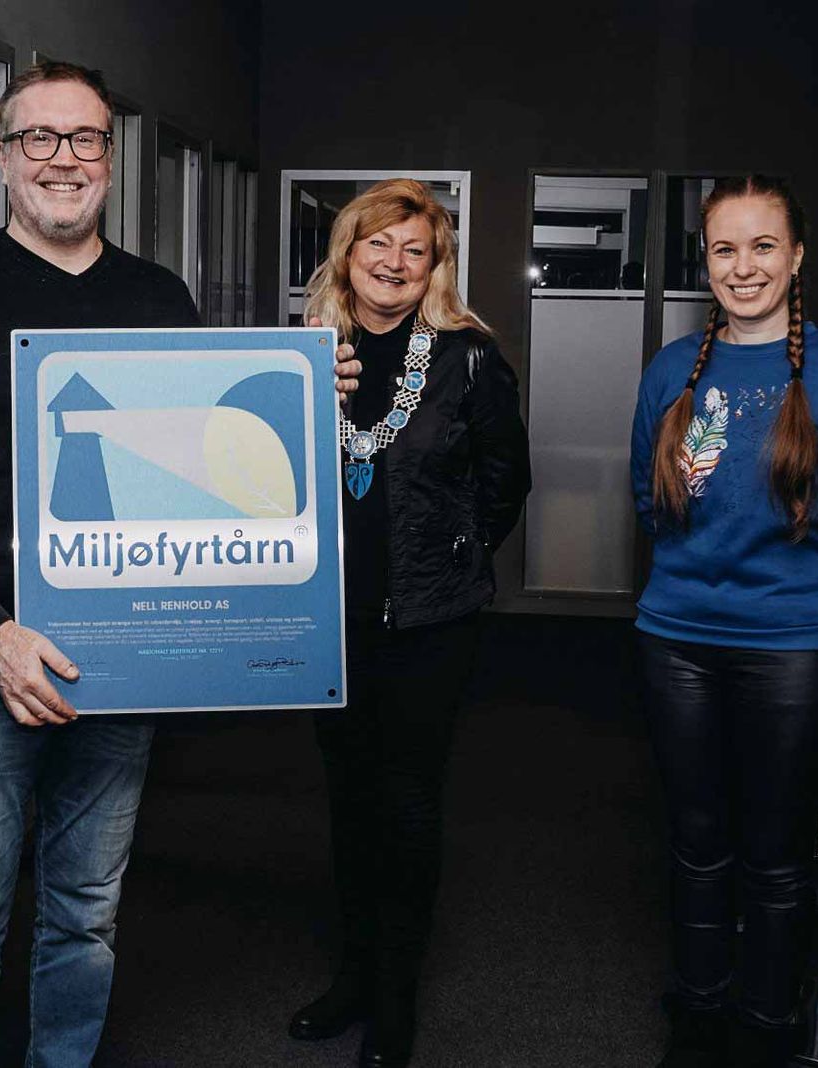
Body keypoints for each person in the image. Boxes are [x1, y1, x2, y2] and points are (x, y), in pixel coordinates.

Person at [0, 60, 359, 1067]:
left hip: (119, 658)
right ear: (5, 159)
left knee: (85, 911)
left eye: (84, 138)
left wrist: (313, 395)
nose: (63, 159)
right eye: (38, 138)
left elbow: (201, 462)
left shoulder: (156, 296)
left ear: (109, 158)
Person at [628, 174, 818, 1067]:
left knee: (777, 852)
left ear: (795, 257)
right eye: (723, 248)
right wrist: (696, 580)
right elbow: (650, 497)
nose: (742, 267)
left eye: (761, 247)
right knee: (697, 840)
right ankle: (701, 1008)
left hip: (795, 651)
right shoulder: (675, 371)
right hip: (676, 643)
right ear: (703, 259)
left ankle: (766, 1019)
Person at [285, 179, 530, 1068]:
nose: (392, 263)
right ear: (347, 253)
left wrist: (454, 559)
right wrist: (309, 394)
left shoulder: (467, 357)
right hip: (330, 621)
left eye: (412, 250)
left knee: (407, 806)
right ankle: (353, 974)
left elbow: (507, 481)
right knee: (348, 803)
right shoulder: (304, 354)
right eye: (375, 245)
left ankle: (396, 998)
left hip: (431, 624)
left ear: (435, 265)